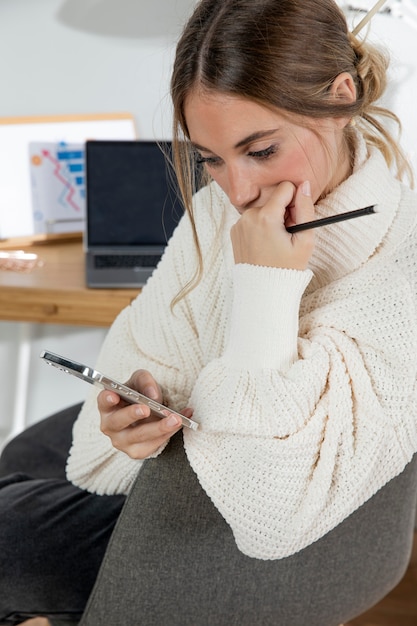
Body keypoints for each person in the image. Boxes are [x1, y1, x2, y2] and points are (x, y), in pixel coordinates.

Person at [1, 0, 417, 624]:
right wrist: (133, 416)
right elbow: (145, 342)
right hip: (177, 477)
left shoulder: (398, 264)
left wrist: (266, 281)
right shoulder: (219, 212)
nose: (238, 192)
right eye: (211, 159)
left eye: (263, 150)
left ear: (342, 96)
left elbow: (271, 504)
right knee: (20, 469)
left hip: (242, 528)